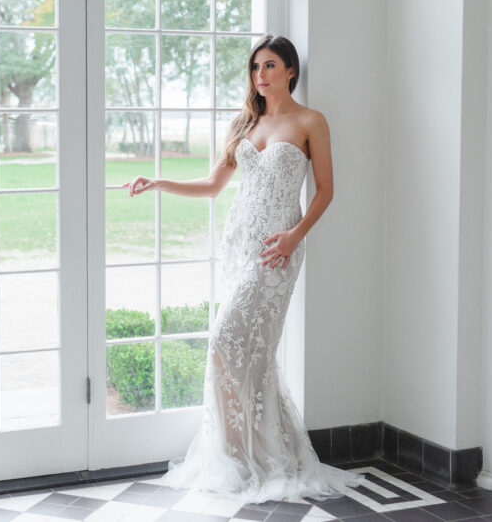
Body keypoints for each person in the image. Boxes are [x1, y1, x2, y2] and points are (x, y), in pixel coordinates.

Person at [121, 34, 367, 504]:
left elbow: (326, 191)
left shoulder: (311, 121)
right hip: (238, 247)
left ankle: (251, 455)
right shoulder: (245, 123)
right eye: (256, 67)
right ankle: (244, 456)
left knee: (225, 342)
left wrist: (295, 236)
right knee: (246, 355)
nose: (261, 75)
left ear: (290, 71)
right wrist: (157, 181)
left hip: (278, 249)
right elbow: (214, 185)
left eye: (270, 65)